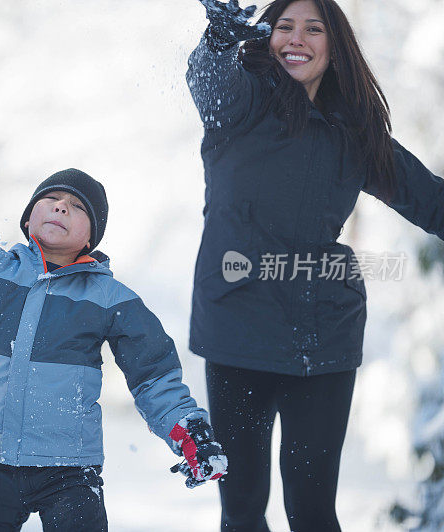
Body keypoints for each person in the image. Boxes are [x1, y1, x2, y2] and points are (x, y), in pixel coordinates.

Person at [0, 143, 228, 531]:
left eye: (76, 207)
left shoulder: (110, 299)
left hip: (70, 472)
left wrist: (189, 432)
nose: (61, 207)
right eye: (52, 199)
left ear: (92, 237)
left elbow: (154, 376)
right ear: (28, 220)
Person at [185, 0, 444, 530]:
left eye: (312, 28)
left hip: (322, 339)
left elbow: (430, 200)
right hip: (238, 333)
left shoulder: (351, 132)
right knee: (242, 506)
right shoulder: (240, 104)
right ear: (265, 37)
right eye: (283, 27)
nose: (296, 39)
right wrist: (216, 39)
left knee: (312, 510)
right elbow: (207, 82)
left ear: (334, 44)